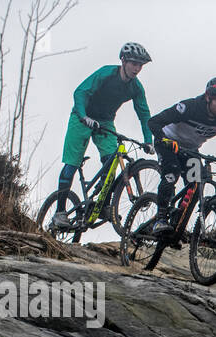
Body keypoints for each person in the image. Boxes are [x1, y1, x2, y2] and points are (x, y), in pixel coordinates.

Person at [51, 42, 154, 228]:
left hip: (105, 122)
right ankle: (60, 213)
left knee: (112, 161)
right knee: (72, 163)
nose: (137, 68)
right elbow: (81, 92)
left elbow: (144, 113)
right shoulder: (106, 74)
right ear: (123, 61)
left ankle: (104, 205)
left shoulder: (136, 87)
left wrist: (149, 141)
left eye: (140, 65)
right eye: (134, 63)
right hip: (82, 117)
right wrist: (83, 115)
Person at [147, 78, 216, 236]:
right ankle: (160, 219)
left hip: (190, 150)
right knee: (171, 174)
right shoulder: (189, 108)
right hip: (168, 143)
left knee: (196, 186)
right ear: (208, 98)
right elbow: (154, 122)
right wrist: (164, 139)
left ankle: (177, 223)